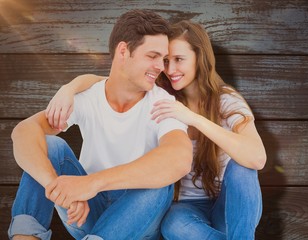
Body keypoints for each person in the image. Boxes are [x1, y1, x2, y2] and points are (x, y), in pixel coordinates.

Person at [46, 20, 267, 239]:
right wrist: (71, 87)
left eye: (179, 59)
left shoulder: (226, 100)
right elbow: (112, 80)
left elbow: (257, 158)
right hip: (183, 208)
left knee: (243, 166)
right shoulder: (159, 92)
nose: (170, 70)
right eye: (166, 60)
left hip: (229, 207)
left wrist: (194, 118)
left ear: (200, 58)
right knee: (174, 226)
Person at [8, 10, 193, 240]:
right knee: (49, 146)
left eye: (163, 59)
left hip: (137, 220)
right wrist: (57, 187)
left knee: (160, 180)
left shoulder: (162, 103)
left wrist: (92, 184)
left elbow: (180, 159)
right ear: (123, 51)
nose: (161, 67)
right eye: (152, 56)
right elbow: (24, 132)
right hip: (84, 211)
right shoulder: (88, 96)